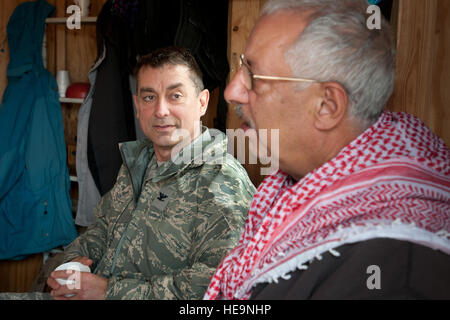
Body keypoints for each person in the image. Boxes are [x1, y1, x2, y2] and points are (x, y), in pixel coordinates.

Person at [205, 0, 450, 300]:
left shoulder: (390, 274)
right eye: (243, 65)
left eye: (254, 77)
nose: (232, 91)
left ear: (326, 106)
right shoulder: (294, 183)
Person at [0, 47, 255, 300]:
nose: (161, 110)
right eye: (149, 97)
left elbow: (219, 289)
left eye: (175, 96)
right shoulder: (139, 161)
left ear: (202, 102)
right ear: (136, 105)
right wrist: (74, 261)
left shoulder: (222, 183)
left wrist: (107, 292)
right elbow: (102, 226)